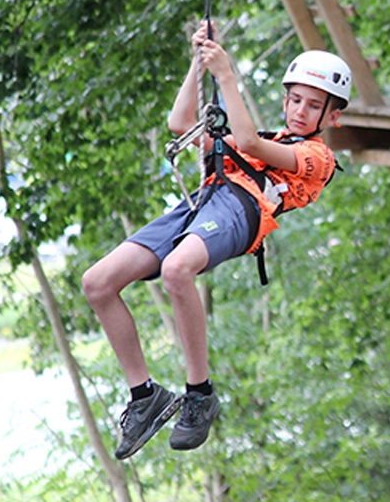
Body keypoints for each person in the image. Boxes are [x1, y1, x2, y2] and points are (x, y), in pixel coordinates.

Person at [83, 23, 349, 460]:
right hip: (202, 202)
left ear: (332, 117)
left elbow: (247, 142)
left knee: (177, 269)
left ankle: (199, 392)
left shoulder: (316, 158)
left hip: (242, 211)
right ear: (285, 99)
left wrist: (225, 74)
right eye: (296, 100)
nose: (301, 111)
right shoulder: (268, 138)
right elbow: (180, 123)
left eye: (314, 105)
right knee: (97, 282)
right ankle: (145, 395)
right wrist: (199, 62)